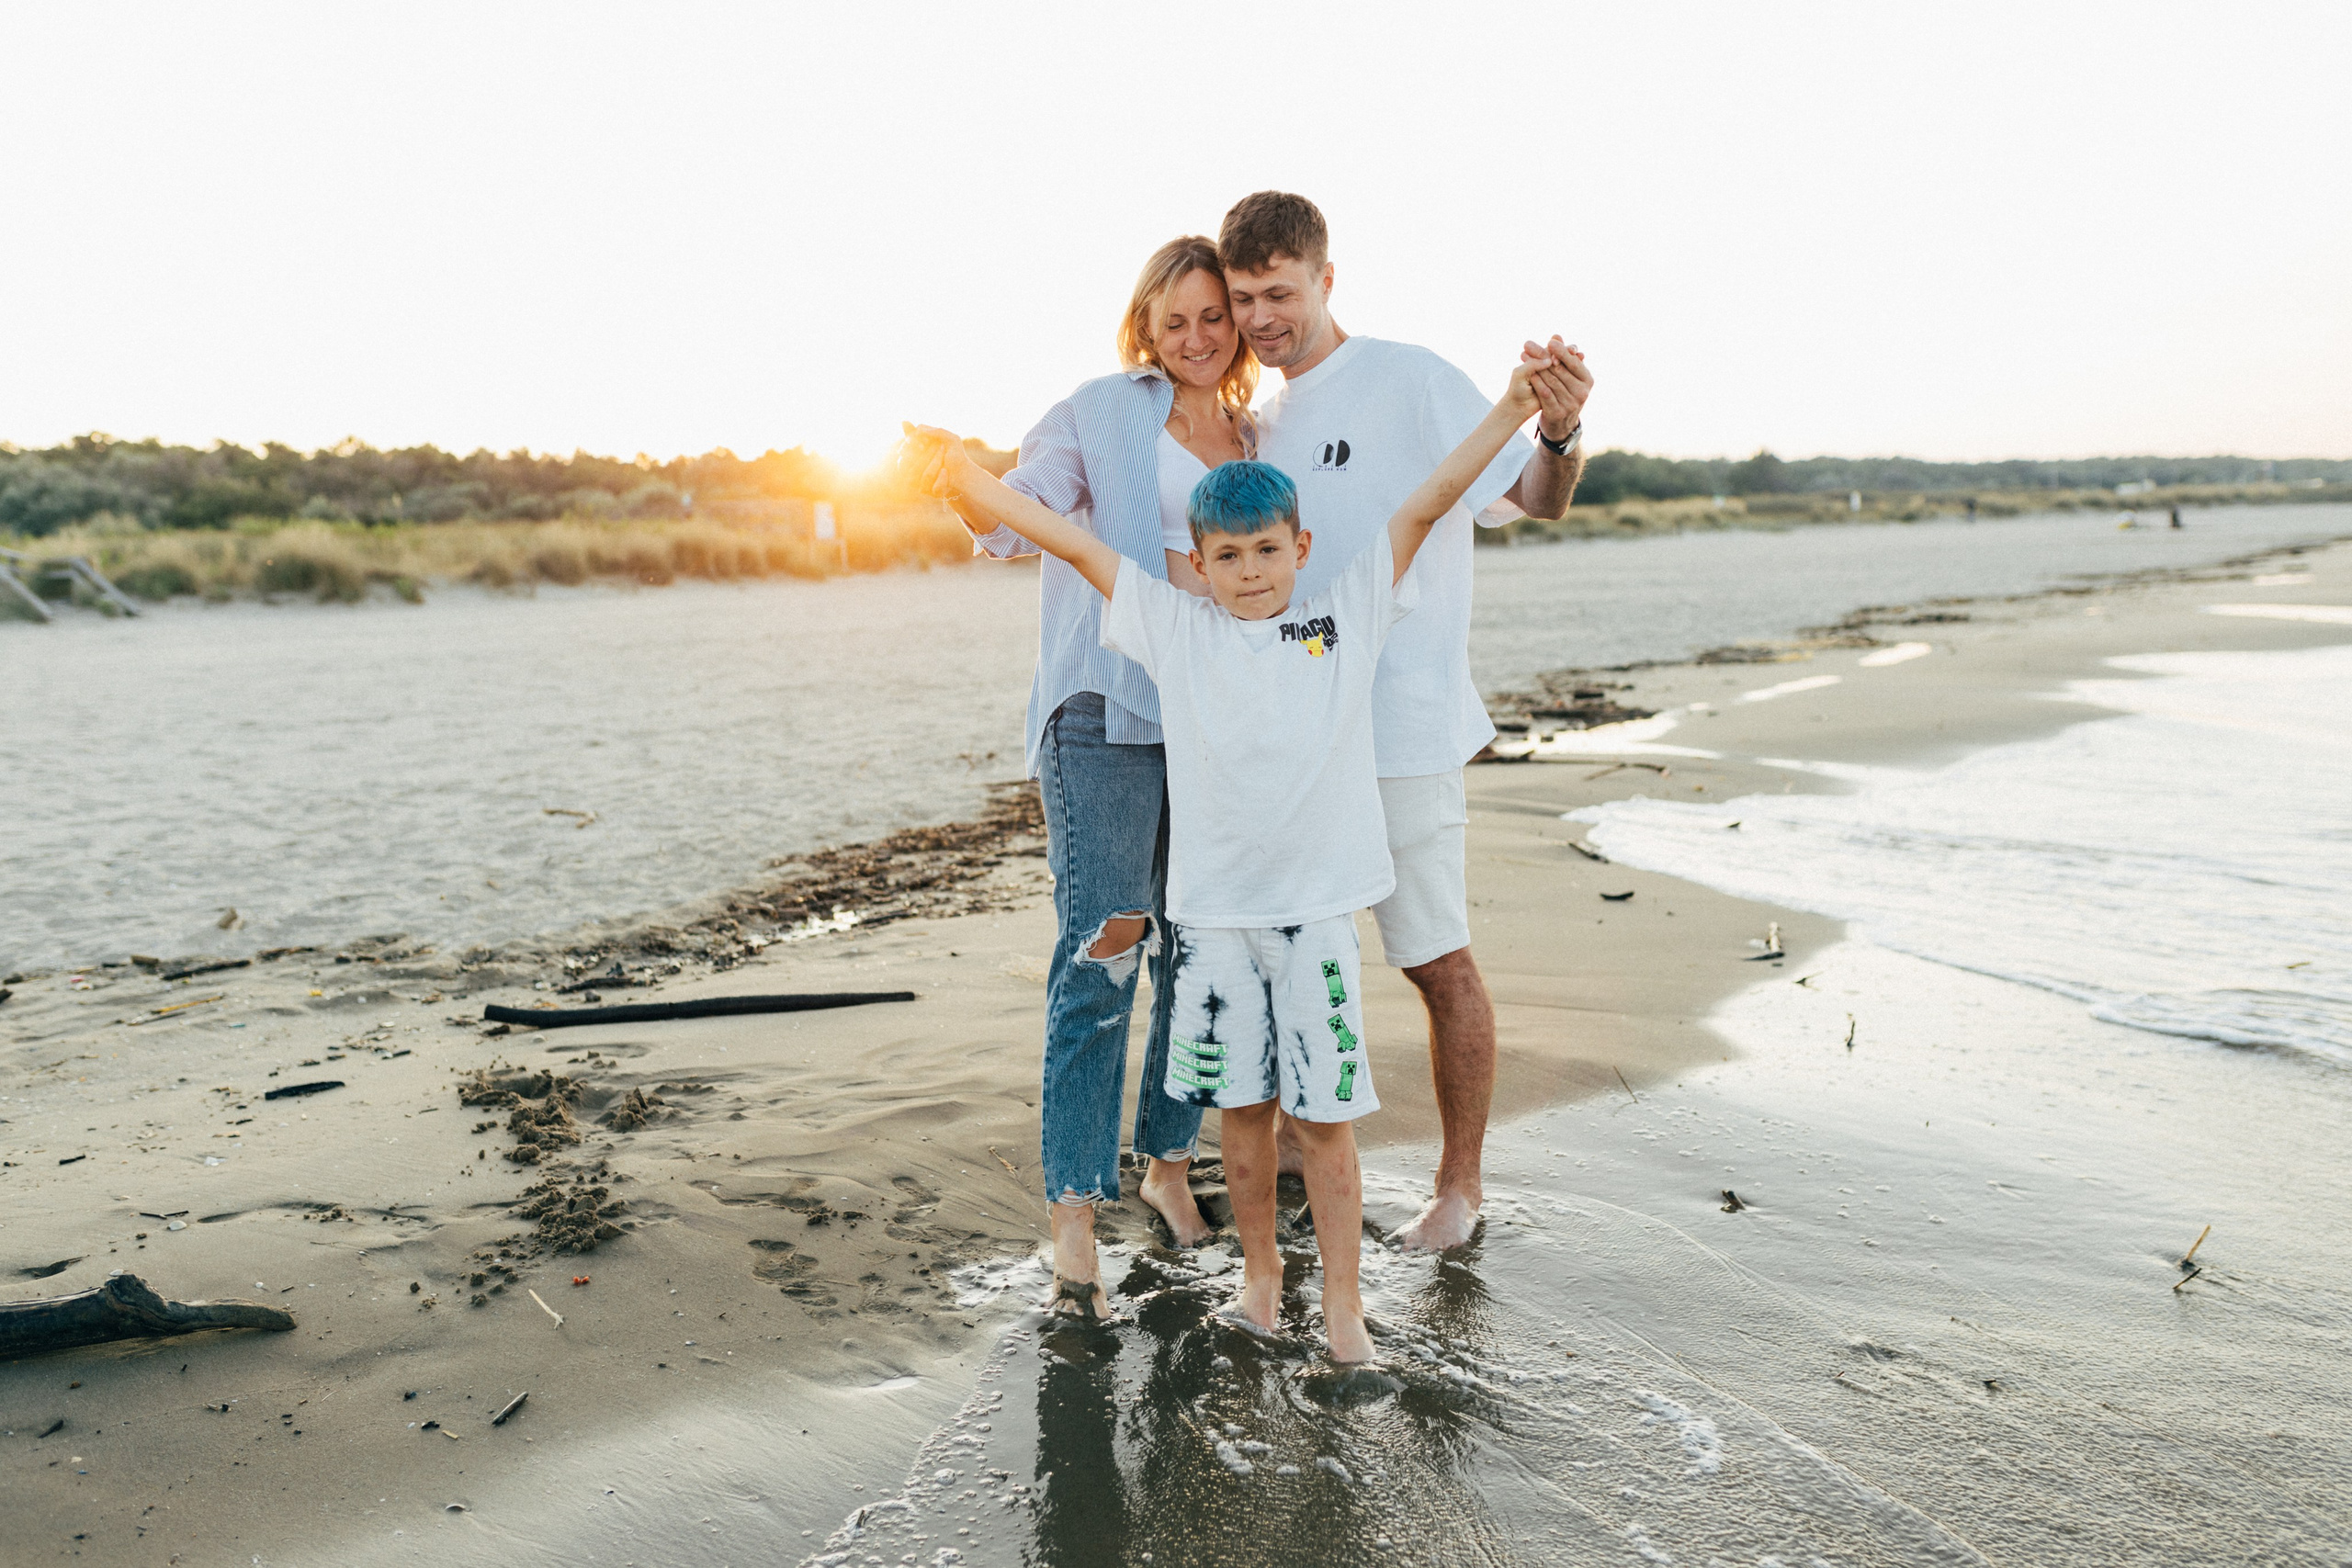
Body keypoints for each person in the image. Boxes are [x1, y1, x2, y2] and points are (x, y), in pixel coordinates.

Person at [905, 355, 1547, 1361]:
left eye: (1266, 550)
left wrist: (1514, 407)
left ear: (1299, 548)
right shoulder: (1176, 630)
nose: (1250, 572)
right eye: (1229, 557)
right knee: (1241, 1117)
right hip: (1210, 938)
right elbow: (1072, 542)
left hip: (1316, 928)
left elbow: (1425, 504)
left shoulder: (1341, 620)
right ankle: (1260, 1282)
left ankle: (1342, 1311)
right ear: (1196, 565)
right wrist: (965, 480)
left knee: (1323, 1123)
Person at [1217, 191, 1594, 1251]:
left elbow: (1538, 493)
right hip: (1293, 739)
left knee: (1433, 960)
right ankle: (1295, 1158)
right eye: (1244, 298)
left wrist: (1560, 426)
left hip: (1405, 728)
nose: (1259, 318)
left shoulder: (1413, 379)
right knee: (1292, 949)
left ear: (1327, 278)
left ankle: (1459, 1188)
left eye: (1278, 293)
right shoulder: (1260, 416)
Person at [928, 236, 1255, 1320]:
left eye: (1215, 316)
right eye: (1177, 320)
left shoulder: (1257, 433)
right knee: (1105, 952)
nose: (1198, 338)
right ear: (1144, 325)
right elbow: (1012, 514)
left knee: (1200, 951)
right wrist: (962, 489)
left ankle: (1166, 1160)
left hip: (1213, 724)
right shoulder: (1096, 413)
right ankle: (1074, 1211)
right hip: (1104, 717)